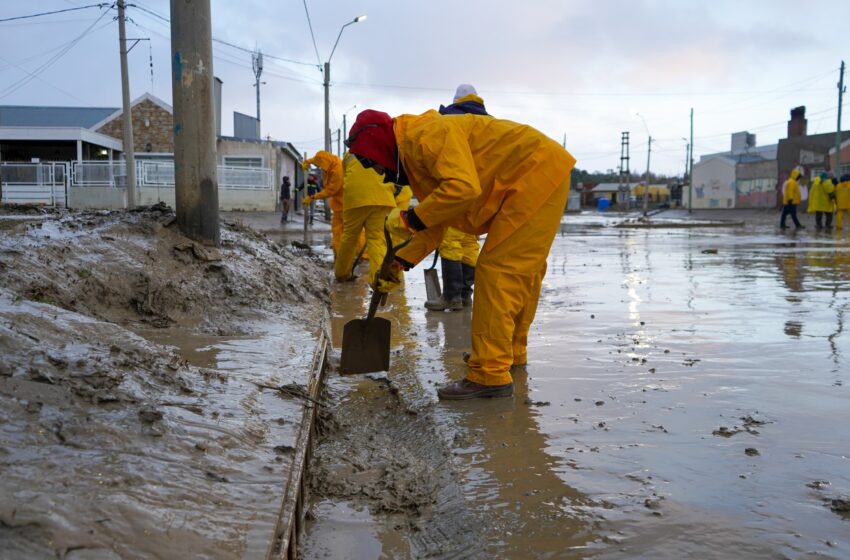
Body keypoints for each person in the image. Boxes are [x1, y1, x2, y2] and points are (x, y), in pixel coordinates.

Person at [345, 108, 576, 400]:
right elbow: (441, 215)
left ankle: (489, 375)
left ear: (378, 144)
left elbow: (463, 189)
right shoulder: (416, 152)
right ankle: (509, 354)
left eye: (370, 162)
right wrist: (402, 260)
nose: (376, 172)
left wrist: (411, 220)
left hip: (533, 173)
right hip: (539, 172)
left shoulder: (425, 136)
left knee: (499, 271)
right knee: (520, 270)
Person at [334, 151, 397, 283]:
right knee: (377, 239)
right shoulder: (385, 148)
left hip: (355, 198)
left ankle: (341, 274)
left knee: (349, 236)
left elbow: (345, 173)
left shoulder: (349, 153)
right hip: (381, 197)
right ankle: (378, 281)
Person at [303, 151, 344, 250]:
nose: (321, 168)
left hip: (346, 203)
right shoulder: (327, 161)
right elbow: (316, 160)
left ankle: (362, 256)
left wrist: (312, 197)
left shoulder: (338, 170)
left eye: (321, 166)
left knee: (351, 232)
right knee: (336, 229)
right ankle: (338, 251)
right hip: (338, 204)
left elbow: (330, 191)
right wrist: (307, 162)